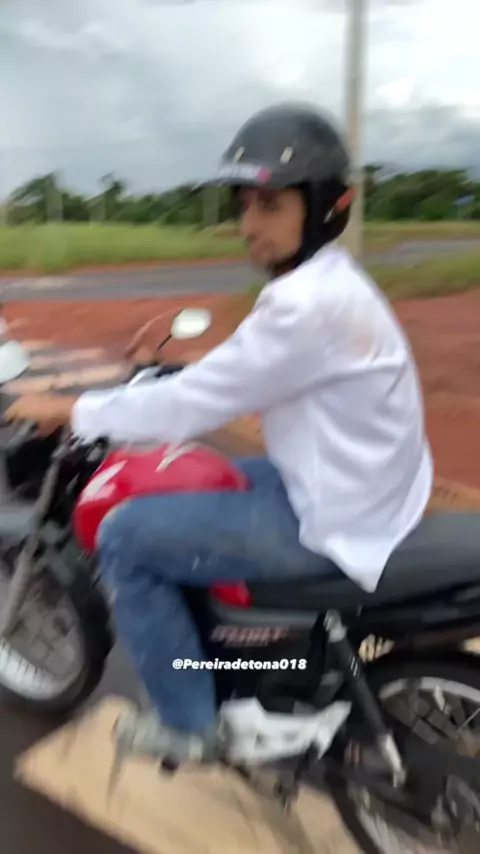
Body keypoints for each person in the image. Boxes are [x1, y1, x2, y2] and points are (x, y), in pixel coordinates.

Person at [6, 103, 433, 764]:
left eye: (270, 205)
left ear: (324, 207)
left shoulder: (303, 304)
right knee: (206, 479)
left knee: (125, 537)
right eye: (244, 205)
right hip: (359, 486)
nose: (248, 225)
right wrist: (188, 374)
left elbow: (193, 405)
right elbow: (250, 371)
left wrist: (72, 408)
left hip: (334, 515)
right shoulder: (332, 283)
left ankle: (186, 724)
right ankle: (231, 652)